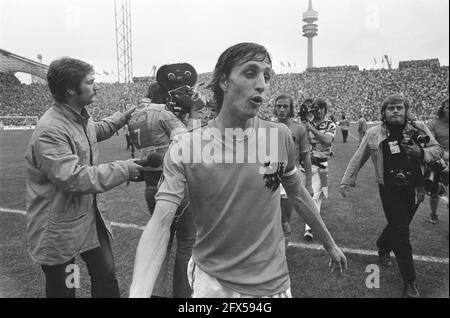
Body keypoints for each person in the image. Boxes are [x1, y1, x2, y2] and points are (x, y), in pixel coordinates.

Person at [130, 42, 347, 298]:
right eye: (250, 72)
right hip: (212, 284)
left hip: (272, 285)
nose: (262, 84)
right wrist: (138, 293)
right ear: (224, 81)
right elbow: (160, 223)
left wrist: (330, 243)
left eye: (267, 76)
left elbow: (298, 194)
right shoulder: (187, 145)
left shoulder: (279, 136)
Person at [25, 57, 143, 298]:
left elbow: (95, 130)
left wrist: (123, 116)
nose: (96, 87)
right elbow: (74, 178)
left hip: (88, 218)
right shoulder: (50, 129)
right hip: (60, 227)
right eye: (90, 82)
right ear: (70, 89)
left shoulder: (78, 116)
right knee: (66, 288)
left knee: (106, 276)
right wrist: (125, 169)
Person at [339, 94, 443, 298]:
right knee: (402, 233)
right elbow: (358, 158)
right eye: (391, 108)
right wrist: (346, 181)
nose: (395, 111)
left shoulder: (419, 129)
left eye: (399, 108)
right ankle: (410, 280)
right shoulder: (373, 133)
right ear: (384, 113)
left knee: (399, 225)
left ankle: (383, 245)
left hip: (415, 188)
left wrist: (420, 153)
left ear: (406, 110)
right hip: (389, 190)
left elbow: (437, 150)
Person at [128, 65, 203, 298]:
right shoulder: (162, 112)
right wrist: (194, 112)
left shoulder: (136, 115)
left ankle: (156, 293)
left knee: (161, 242)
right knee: (186, 244)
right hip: (175, 185)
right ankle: (183, 297)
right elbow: (192, 146)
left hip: (150, 186)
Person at [273, 94, 313, 246]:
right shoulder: (268, 126)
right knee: (269, 218)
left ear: (291, 109)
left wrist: (309, 184)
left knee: (285, 219)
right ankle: (272, 250)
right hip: (270, 180)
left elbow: (306, 157)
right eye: (279, 106)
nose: (282, 110)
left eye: (285, 106)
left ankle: (282, 254)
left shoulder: (299, 129)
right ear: (275, 109)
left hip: (289, 181)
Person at [302, 98, 337, 240]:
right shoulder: (306, 123)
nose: (317, 110)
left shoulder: (330, 124)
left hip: (320, 164)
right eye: (315, 107)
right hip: (305, 164)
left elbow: (327, 140)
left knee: (315, 196)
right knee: (306, 195)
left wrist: (311, 129)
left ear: (325, 109)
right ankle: (310, 221)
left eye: (320, 108)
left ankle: (309, 227)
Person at [426, 97, 449, 224]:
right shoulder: (433, 123)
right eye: (448, 107)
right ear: (442, 109)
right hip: (437, 162)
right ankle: (433, 213)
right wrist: (444, 156)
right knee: (435, 193)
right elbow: (431, 143)